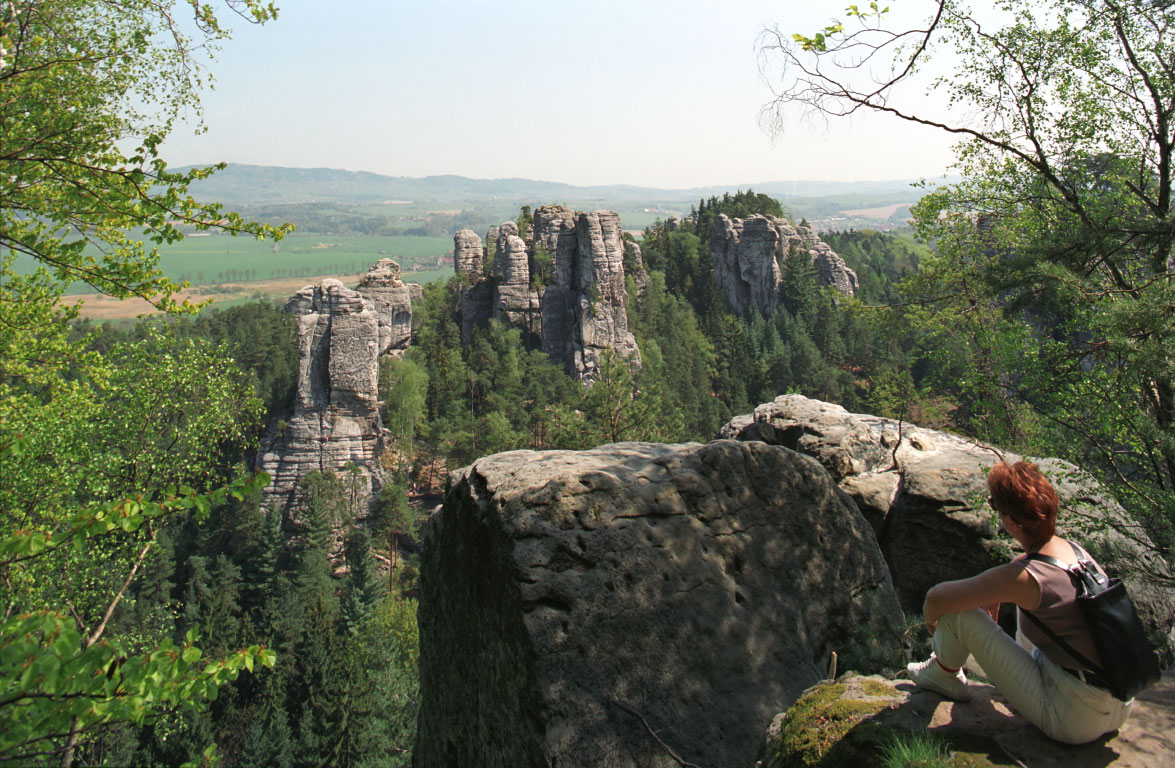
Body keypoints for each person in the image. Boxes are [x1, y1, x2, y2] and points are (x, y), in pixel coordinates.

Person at [905, 460, 1133, 744]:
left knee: (959, 614)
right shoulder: (1074, 552)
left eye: (995, 505)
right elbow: (1037, 577)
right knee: (1031, 615)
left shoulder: (1025, 577)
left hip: (1074, 719)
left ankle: (944, 674)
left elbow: (936, 597)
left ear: (1012, 522)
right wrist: (1000, 592)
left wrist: (932, 623)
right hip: (1119, 702)